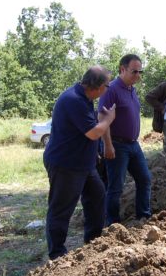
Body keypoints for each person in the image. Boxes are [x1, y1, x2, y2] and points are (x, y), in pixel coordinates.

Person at [43, 66, 116, 260]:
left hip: (83, 164)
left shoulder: (85, 98)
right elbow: (93, 133)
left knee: (97, 196)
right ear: (99, 86)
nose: (108, 89)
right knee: (62, 208)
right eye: (107, 85)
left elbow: (86, 131)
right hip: (66, 163)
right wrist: (108, 119)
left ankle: (93, 242)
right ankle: (57, 254)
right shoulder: (73, 100)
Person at [98, 54, 152, 225]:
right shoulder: (111, 90)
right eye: (134, 71)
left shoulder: (132, 89)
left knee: (145, 179)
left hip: (133, 145)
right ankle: (112, 224)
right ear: (122, 69)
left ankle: (143, 216)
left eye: (140, 71)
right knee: (115, 187)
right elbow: (102, 119)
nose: (138, 75)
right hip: (117, 145)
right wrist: (107, 145)